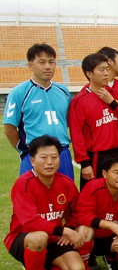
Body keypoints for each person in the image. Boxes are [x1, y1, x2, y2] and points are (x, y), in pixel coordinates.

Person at [4, 136, 85, 270]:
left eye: (54, 157)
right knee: (39, 236)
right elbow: (30, 223)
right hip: (23, 238)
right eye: (44, 157)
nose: (49, 162)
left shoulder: (66, 183)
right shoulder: (23, 184)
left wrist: (69, 227)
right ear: (32, 161)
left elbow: (77, 212)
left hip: (53, 238)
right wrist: (65, 231)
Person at [3, 43, 74, 179]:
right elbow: (9, 128)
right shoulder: (19, 92)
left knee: (65, 197)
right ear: (31, 65)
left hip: (62, 153)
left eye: (51, 62)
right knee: (33, 197)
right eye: (42, 62)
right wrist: (24, 150)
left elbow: (70, 123)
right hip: (34, 153)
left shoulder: (63, 91)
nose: (47, 66)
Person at [69, 53, 118, 191]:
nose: (106, 73)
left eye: (107, 69)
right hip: (98, 157)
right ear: (89, 73)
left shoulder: (114, 94)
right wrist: (84, 163)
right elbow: (77, 135)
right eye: (101, 70)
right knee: (96, 195)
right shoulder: (79, 101)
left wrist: (112, 102)